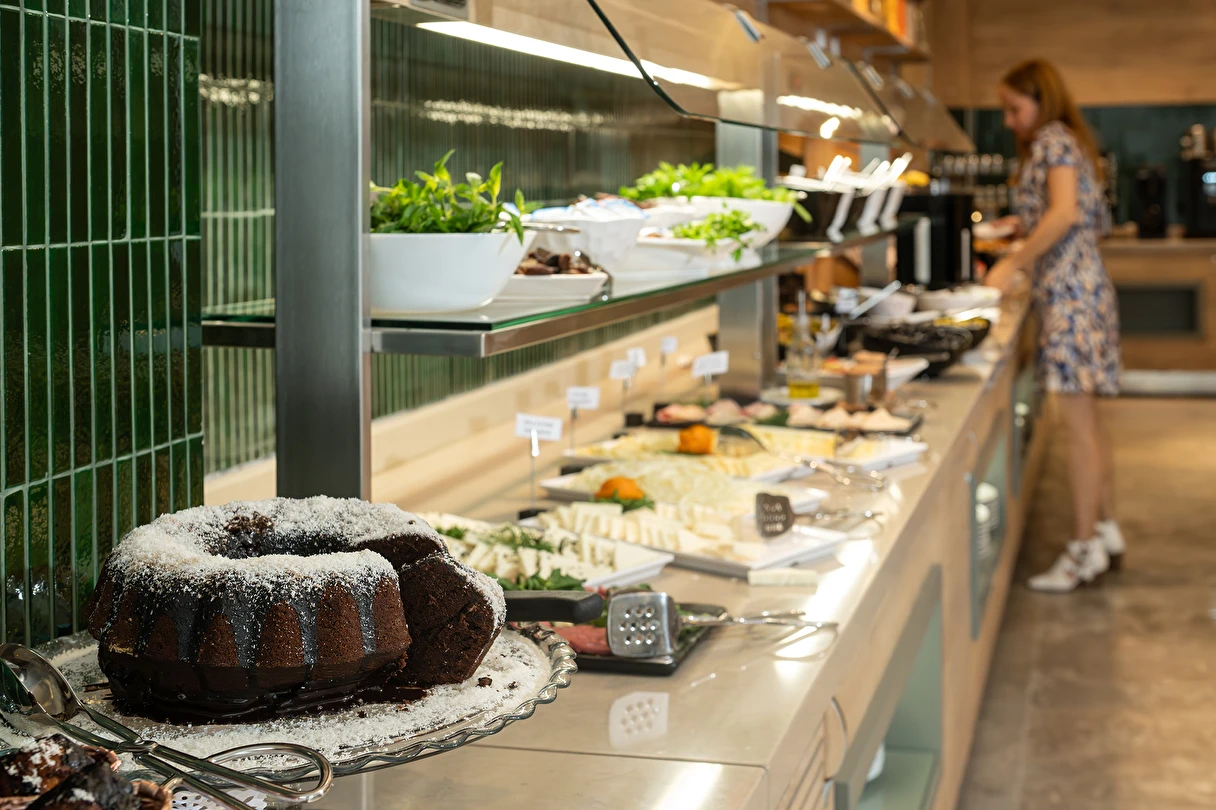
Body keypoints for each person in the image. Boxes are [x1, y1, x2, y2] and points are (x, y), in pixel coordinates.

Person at [985, 59, 1124, 593]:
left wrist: (1011, 263)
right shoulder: (1066, 141)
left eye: (1014, 108)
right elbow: (1069, 214)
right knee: (1089, 424)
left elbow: (1064, 214)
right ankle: (1105, 530)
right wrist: (1020, 225)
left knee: (1080, 429)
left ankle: (1083, 551)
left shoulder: (1053, 141)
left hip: (1071, 301)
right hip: (1082, 294)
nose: (1009, 120)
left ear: (1040, 101)